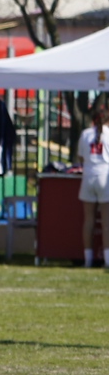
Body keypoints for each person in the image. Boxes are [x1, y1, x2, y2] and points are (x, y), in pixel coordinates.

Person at [78, 98, 108, 268]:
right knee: (106, 222)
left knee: (88, 221)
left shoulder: (85, 134)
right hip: (105, 178)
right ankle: (107, 259)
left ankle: (88, 259)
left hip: (88, 177)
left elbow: (81, 157)